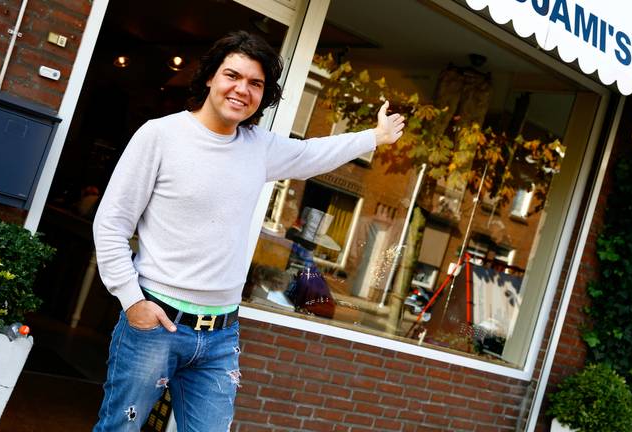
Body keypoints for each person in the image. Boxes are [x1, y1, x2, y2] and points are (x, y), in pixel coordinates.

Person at [92, 30, 405, 431]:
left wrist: (374, 137)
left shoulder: (258, 146)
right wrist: (131, 300)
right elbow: (112, 223)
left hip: (221, 337)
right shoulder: (161, 135)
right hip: (156, 325)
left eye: (255, 83)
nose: (242, 89)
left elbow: (313, 153)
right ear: (209, 77)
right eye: (232, 76)